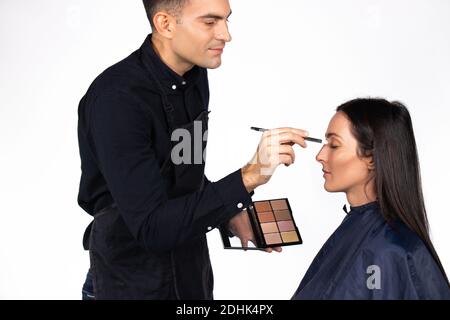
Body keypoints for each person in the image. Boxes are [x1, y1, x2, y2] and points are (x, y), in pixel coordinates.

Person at [77, 0, 308, 299]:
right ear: (165, 24)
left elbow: (181, 171)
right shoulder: (117, 99)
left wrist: (228, 212)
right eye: (210, 22)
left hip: (191, 277)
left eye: (226, 20)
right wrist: (249, 176)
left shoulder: (196, 76)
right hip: (128, 283)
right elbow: (151, 228)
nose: (226, 35)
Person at [292, 98, 450, 299]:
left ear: (372, 159)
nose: (320, 155)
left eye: (334, 145)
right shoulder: (358, 228)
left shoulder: (389, 251)